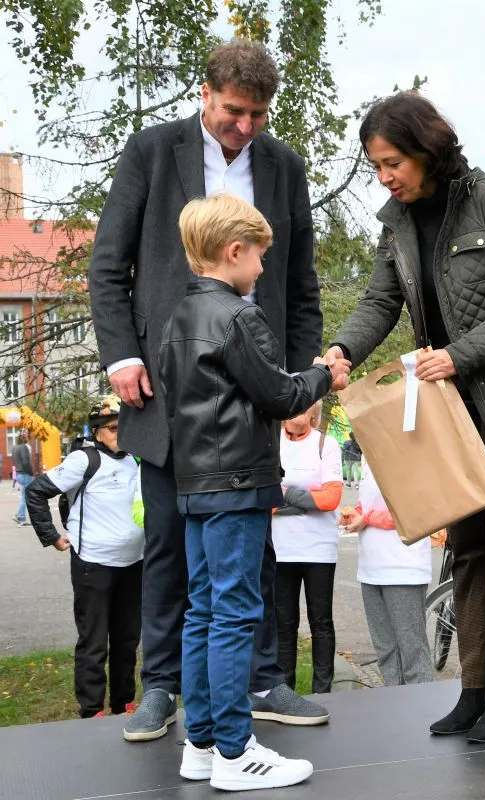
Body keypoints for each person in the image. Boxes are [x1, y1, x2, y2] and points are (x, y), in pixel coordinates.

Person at [88, 39, 333, 742]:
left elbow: (301, 288)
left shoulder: (283, 166)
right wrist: (120, 356)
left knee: (252, 544)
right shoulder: (151, 151)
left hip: (253, 392)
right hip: (166, 389)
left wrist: (302, 380)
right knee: (169, 545)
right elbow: (108, 267)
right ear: (205, 94)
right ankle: (162, 687)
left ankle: (261, 681)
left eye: (258, 114)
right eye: (233, 111)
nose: (244, 127)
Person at [326, 91, 485, 743]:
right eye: (376, 166)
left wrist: (457, 355)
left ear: (424, 149)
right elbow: (379, 301)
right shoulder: (397, 223)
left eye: (392, 163)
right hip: (449, 410)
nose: (384, 177)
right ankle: (475, 689)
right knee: (464, 551)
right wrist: (342, 348)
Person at [158, 193, 349, 791]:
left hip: (195, 488)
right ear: (234, 251)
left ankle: (201, 744)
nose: (264, 268)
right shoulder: (239, 317)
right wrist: (324, 375)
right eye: (260, 256)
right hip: (238, 487)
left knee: (203, 613)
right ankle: (236, 752)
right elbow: (282, 396)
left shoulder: (178, 318)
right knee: (237, 614)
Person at [25, 397, 143, 718]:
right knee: (94, 641)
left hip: (134, 563)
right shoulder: (84, 460)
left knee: (127, 639)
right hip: (93, 564)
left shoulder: (136, 459)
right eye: (113, 428)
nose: (120, 433)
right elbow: (36, 492)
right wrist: (52, 537)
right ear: (97, 432)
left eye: (124, 426)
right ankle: (91, 710)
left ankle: (123, 703)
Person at [272, 402, 344, 694]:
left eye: (307, 404)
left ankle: (323, 692)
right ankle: (284, 692)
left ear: (315, 410)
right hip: (280, 549)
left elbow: (331, 499)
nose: (300, 409)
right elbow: (264, 500)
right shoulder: (271, 443)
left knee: (321, 622)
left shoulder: (326, 444)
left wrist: (286, 495)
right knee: (283, 625)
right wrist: (307, 500)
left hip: (319, 549)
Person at [344, 456, 433, 686]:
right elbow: (369, 503)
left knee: (412, 652)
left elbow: (413, 509)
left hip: (404, 567)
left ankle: (422, 705)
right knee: (386, 652)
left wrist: (367, 518)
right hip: (370, 567)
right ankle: (394, 702)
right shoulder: (367, 454)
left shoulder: (408, 450)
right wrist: (356, 514)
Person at [11, 435, 33, 526]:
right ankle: (21, 518)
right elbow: (25, 462)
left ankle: (19, 515)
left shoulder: (14, 448)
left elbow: (15, 461)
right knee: (25, 497)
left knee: (24, 496)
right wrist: (31, 473)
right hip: (25, 474)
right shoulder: (24, 447)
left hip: (19, 474)